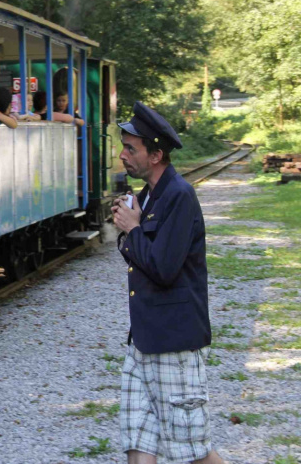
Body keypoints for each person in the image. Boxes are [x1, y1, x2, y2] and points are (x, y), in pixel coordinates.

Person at [112, 102, 224, 464]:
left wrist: (133, 228)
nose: (123, 154)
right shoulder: (149, 195)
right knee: (139, 443)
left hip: (173, 344)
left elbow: (163, 268)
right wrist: (131, 225)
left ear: (156, 154)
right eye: (123, 146)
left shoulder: (179, 195)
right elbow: (138, 254)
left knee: (193, 451)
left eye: (132, 148)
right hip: (143, 341)